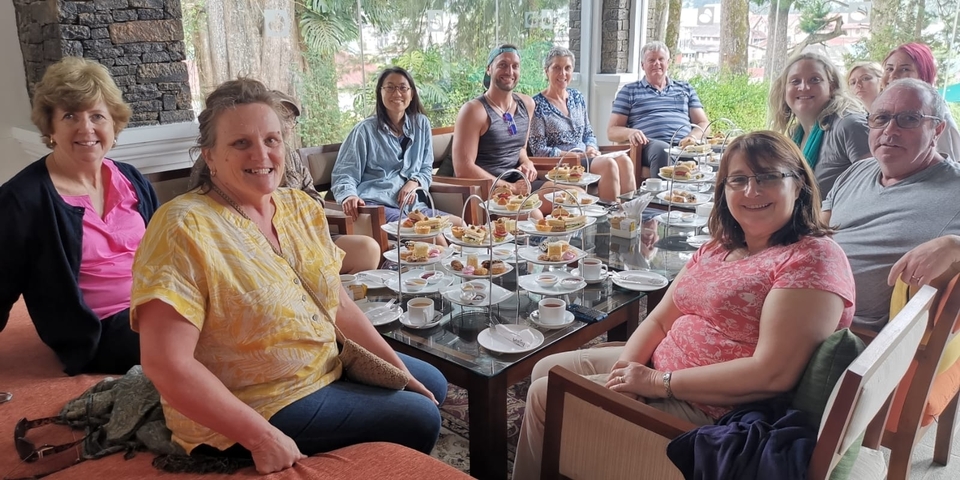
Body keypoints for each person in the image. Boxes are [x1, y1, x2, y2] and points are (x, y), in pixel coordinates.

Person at [131, 78, 447, 474]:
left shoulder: (299, 207)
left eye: (272, 139)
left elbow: (340, 305)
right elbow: (166, 364)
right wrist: (262, 437)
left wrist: (397, 371)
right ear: (209, 156)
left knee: (431, 383)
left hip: (323, 363)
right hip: (258, 401)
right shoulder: (183, 226)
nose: (261, 153)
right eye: (240, 143)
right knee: (419, 416)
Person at [512, 131, 856, 480]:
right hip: (659, 373)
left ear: (797, 185)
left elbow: (773, 373)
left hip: (709, 411)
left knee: (544, 395)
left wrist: (658, 383)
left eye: (767, 177)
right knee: (546, 369)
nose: (751, 191)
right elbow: (660, 321)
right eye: (738, 180)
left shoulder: (812, 258)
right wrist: (627, 375)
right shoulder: (721, 245)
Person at [0, 57, 157, 376]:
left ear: (113, 124)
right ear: (51, 127)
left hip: (161, 306)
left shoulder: (132, 179)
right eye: (70, 115)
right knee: (198, 346)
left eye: (97, 115)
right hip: (99, 331)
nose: (86, 128)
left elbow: (166, 255)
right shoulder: (23, 199)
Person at [188, 90, 381, 274]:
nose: (287, 122)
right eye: (241, 142)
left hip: (303, 234)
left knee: (367, 249)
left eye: (290, 118)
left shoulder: (289, 156)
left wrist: (297, 214)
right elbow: (202, 200)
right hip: (248, 243)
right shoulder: (210, 166)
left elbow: (312, 194)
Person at [823, 78, 960, 332]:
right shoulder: (856, 172)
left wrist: (955, 245)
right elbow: (812, 235)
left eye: (909, 119)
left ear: (937, 130)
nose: (889, 130)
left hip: (858, 341)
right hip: (800, 313)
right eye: (881, 118)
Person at [331, 67, 463, 243]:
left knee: (458, 226)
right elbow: (345, 173)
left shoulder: (421, 124)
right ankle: (438, 271)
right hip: (377, 206)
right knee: (433, 238)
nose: (397, 93)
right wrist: (349, 196)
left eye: (403, 88)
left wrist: (414, 182)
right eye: (390, 87)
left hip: (414, 207)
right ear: (380, 92)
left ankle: (464, 270)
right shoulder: (364, 131)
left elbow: (425, 168)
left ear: (412, 93)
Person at [448, 44, 549, 218]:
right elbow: (463, 168)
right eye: (502, 64)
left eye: (515, 66)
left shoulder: (527, 104)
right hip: (487, 192)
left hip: (517, 185)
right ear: (489, 69)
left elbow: (520, 149)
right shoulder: (474, 111)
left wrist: (526, 162)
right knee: (534, 216)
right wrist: (510, 188)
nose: (509, 71)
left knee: (572, 196)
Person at [529, 46, 636, 202]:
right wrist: (574, 155)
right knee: (608, 164)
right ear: (547, 71)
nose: (562, 74)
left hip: (585, 158)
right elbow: (539, 150)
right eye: (557, 68)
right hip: (562, 164)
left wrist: (592, 147)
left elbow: (588, 133)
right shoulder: (537, 104)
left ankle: (627, 218)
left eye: (567, 68)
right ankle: (608, 218)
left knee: (625, 161)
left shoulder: (577, 97)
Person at [768, 52, 871, 198]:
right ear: (784, 89)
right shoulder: (795, 135)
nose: (804, 87)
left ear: (832, 86)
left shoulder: (849, 125)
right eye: (795, 81)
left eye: (814, 80)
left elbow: (873, 189)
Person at [607, 41, 710, 178]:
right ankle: (661, 198)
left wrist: (692, 137)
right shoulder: (629, 91)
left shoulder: (685, 88)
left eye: (661, 59)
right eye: (651, 60)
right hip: (649, 146)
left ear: (668, 62)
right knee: (662, 150)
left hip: (683, 146)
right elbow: (612, 131)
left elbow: (703, 124)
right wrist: (631, 132)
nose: (657, 63)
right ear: (643, 65)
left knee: (714, 156)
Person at [880, 42, 960, 161]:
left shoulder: (935, 113)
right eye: (889, 69)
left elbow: (948, 166)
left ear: (924, 74)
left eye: (905, 69)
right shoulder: (881, 109)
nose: (893, 75)